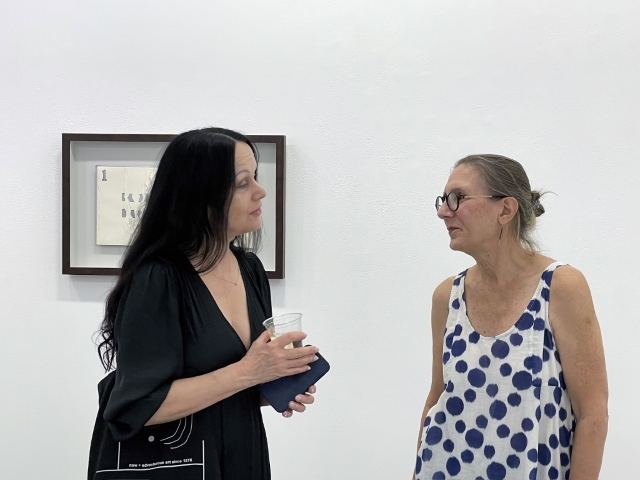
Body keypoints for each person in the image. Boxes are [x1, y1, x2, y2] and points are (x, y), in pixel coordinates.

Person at [88, 127, 319, 480]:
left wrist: (275, 383)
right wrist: (249, 371)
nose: (261, 191)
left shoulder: (250, 269)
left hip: (241, 454)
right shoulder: (157, 278)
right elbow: (135, 406)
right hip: (181, 465)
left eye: (255, 177)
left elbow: (234, 383)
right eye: (242, 183)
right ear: (201, 197)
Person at [414, 155, 608, 480]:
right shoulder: (447, 297)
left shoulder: (560, 287)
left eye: (457, 198)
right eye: (443, 200)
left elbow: (592, 415)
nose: (443, 211)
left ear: (505, 209)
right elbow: (437, 398)